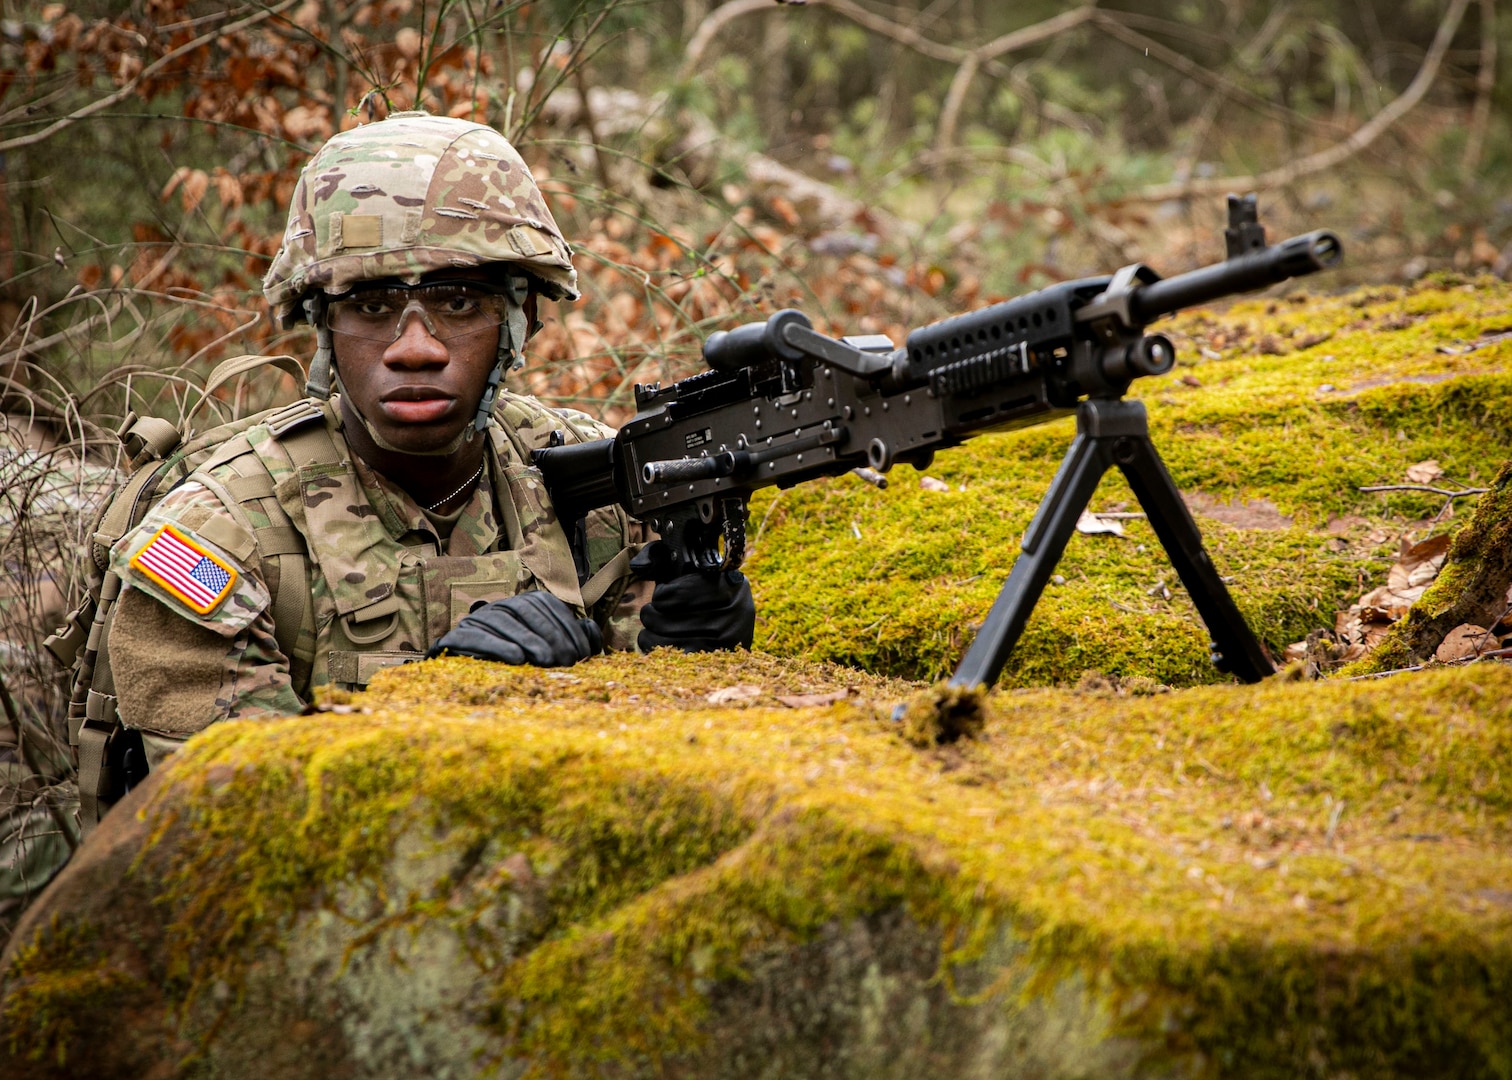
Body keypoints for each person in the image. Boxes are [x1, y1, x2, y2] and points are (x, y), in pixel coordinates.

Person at [100, 111, 755, 777]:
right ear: (323, 326)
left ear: (517, 322)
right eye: (372, 308)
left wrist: (684, 663)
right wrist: (437, 707)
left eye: (461, 304)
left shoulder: (602, 485)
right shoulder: (215, 540)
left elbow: (648, 771)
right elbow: (232, 826)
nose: (416, 348)